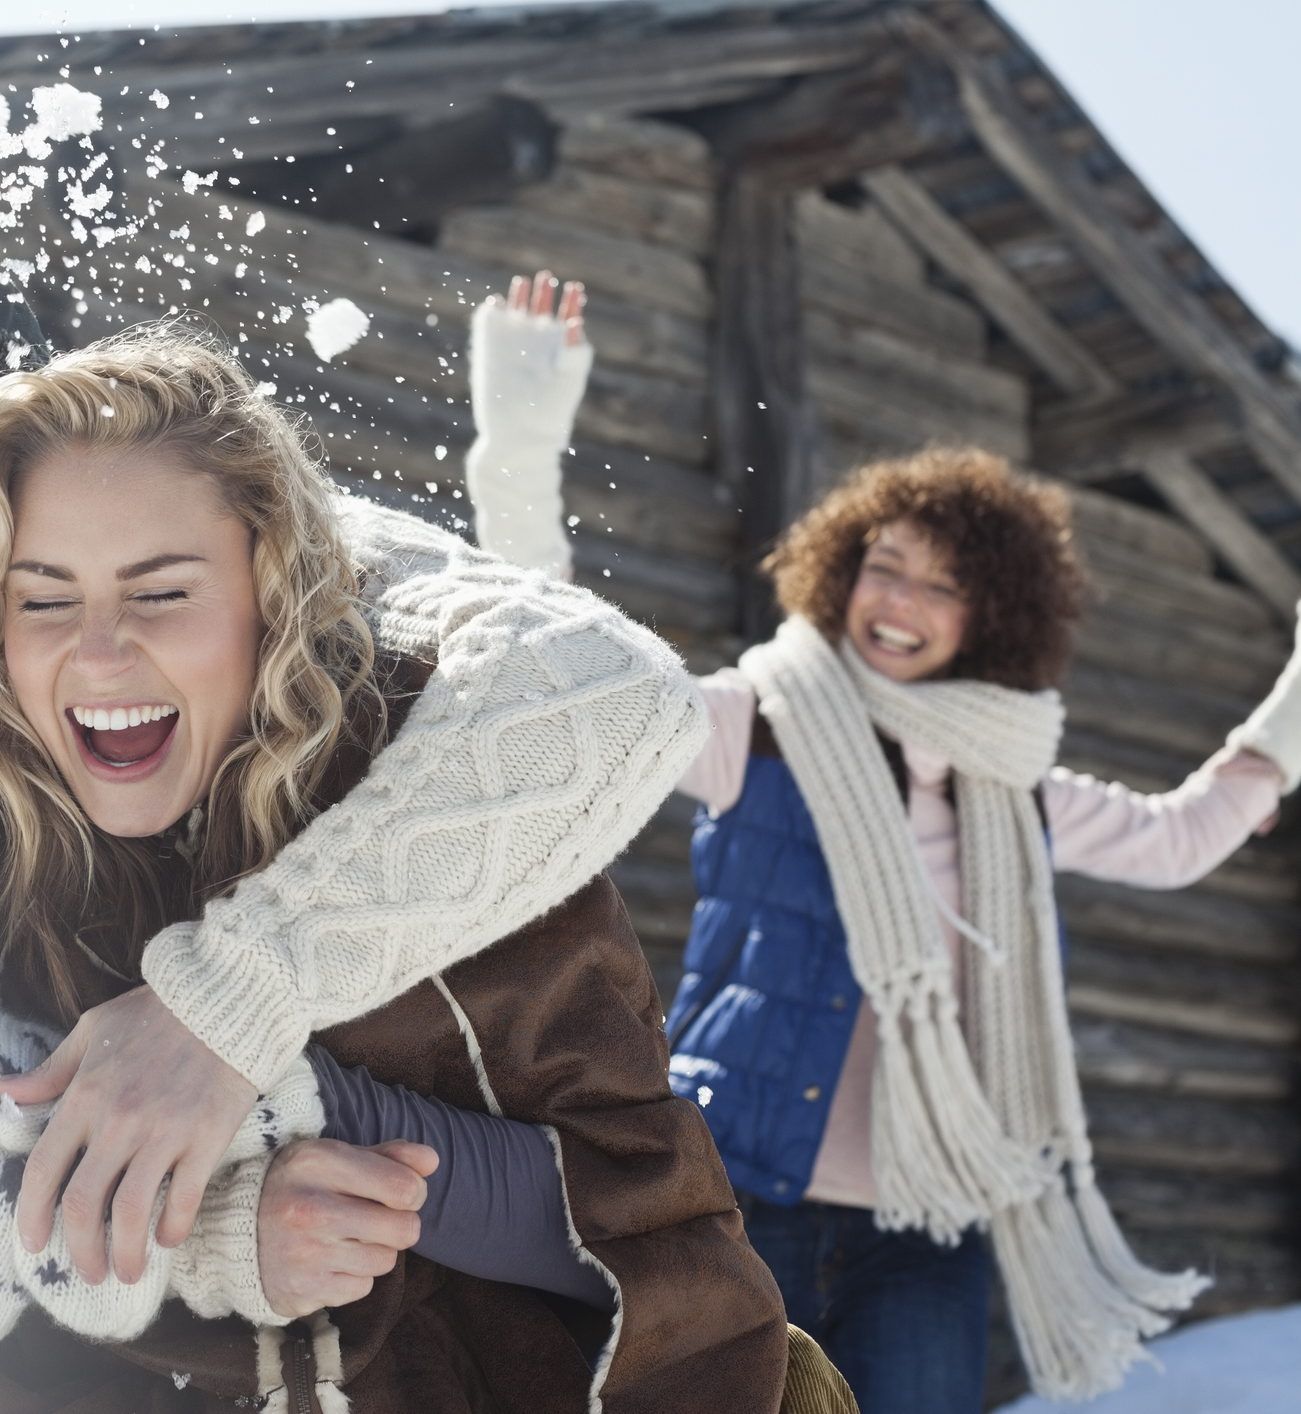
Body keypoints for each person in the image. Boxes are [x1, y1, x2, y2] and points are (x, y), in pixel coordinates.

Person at [0, 323, 792, 1413]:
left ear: (268, 589)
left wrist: (293, 1094)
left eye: (161, 592)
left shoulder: (429, 800)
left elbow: (650, 1232)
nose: (99, 653)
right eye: (46, 598)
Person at [462, 287, 1301, 1410]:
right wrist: (518, 447)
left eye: (943, 585)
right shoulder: (754, 727)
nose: (899, 601)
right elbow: (577, 680)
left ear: (991, 617)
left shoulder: (1017, 792)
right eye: (885, 565)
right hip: (734, 1194)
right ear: (841, 567)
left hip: (927, 1226)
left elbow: (1184, 834)